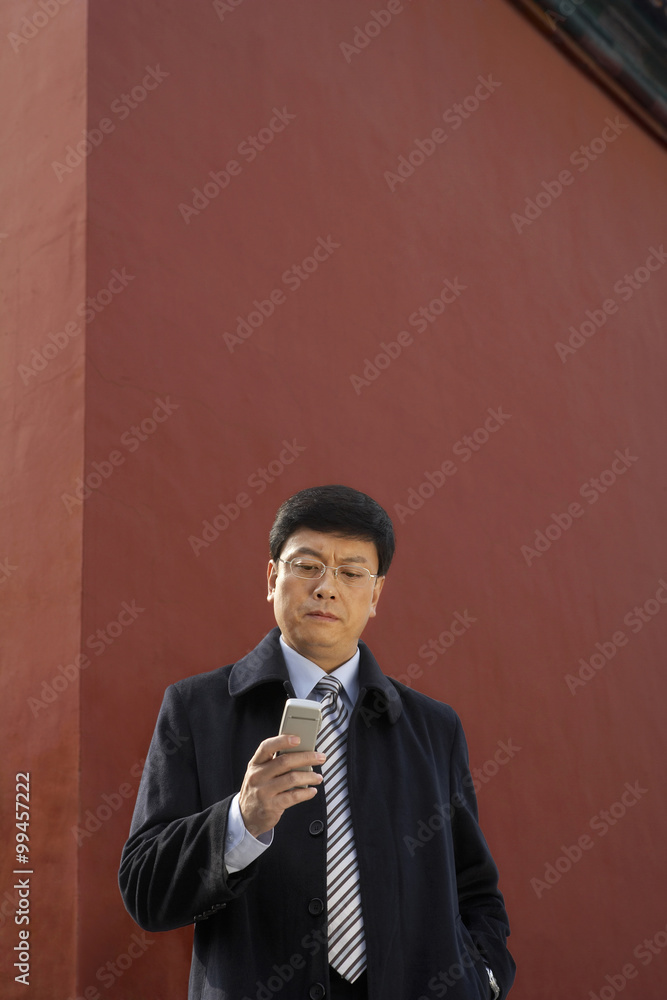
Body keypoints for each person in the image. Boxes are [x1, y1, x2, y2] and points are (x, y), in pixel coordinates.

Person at [119, 484, 515, 1000]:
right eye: (307, 566)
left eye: (351, 573)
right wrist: (242, 819)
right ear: (272, 577)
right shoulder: (198, 710)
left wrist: (482, 979)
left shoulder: (433, 729)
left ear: (374, 595)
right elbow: (146, 891)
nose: (327, 588)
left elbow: (476, 888)